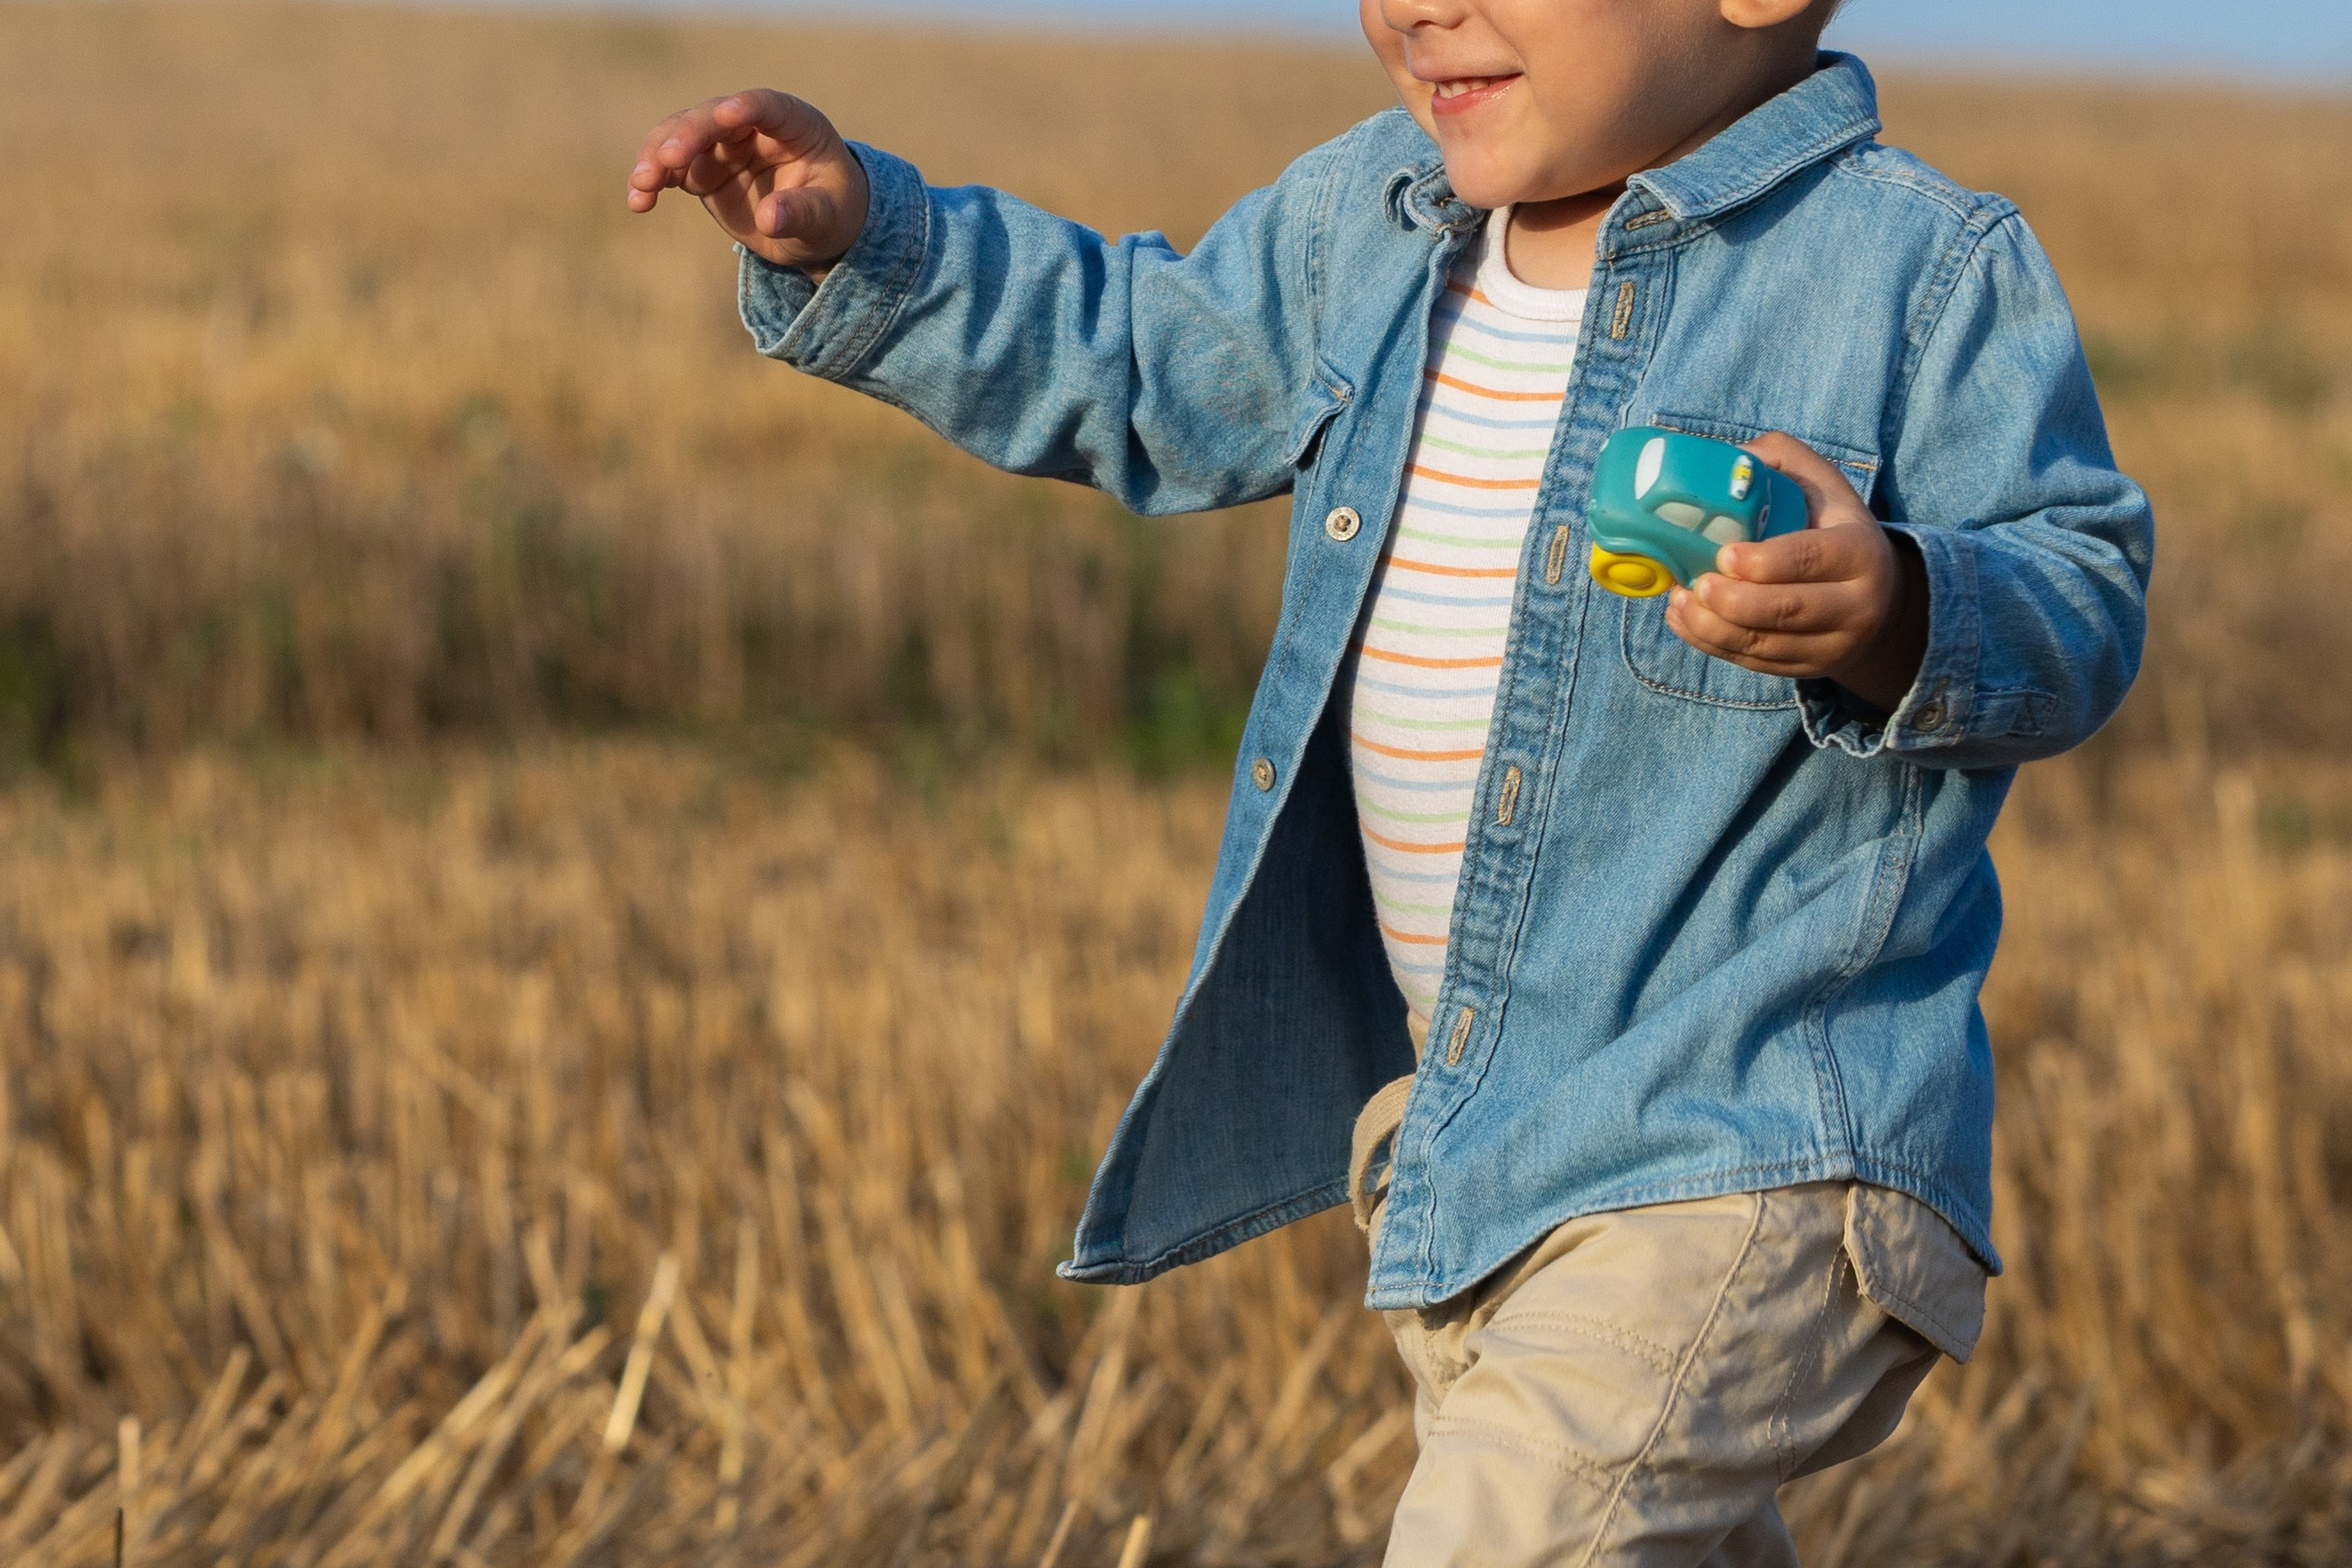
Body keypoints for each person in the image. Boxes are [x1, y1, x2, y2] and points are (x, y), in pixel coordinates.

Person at [627, 0, 2151, 1560]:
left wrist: (1898, 603)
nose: (1418, 5)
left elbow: (2082, 598)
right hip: (1475, 1140)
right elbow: (1143, 357)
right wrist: (875, 245)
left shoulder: (1913, 270)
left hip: (1742, 1138)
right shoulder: (1371, 217)